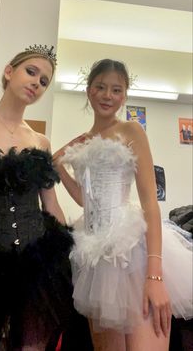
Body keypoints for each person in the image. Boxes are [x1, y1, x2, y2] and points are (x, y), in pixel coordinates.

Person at [53, 59, 193, 351]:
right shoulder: (82, 141)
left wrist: (154, 275)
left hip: (131, 251)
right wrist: (60, 168)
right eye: (101, 87)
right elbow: (84, 198)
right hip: (94, 255)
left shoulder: (131, 130)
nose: (107, 95)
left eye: (116, 89)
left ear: (124, 95)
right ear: (89, 91)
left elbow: (150, 204)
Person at [0, 44, 75, 351]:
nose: (37, 82)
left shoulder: (40, 141)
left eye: (45, 81)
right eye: (31, 71)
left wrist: (70, 256)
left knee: (33, 346)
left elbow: (51, 206)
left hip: (38, 264)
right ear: (9, 72)